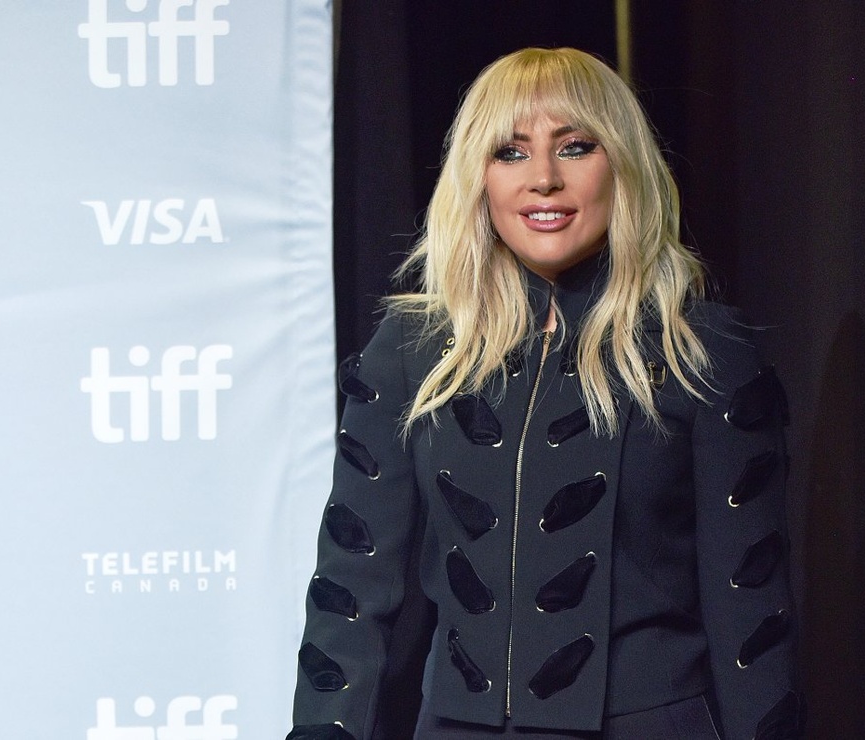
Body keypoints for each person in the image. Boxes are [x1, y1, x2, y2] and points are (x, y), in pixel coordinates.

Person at [288, 47, 803, 740]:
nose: (543, 179)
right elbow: (351, 593)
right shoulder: (411, 350)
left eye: (575, 146)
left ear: (622, 164)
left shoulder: (699, 350)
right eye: (511, 152)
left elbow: (752, 615)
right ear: (478, 178)